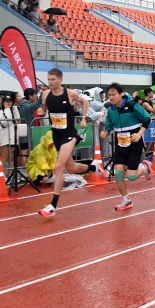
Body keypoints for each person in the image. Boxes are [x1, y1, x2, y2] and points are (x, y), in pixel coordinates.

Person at [37, 68, 106, 218]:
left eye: (53, 79)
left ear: (60, 80)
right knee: (72, 168)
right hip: (56, 134)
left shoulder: (70, 93)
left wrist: (83, 118)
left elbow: (84, 102)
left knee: (58, 166)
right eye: (49, 79)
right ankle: (93, 167)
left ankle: (53, 205)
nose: (50, 82)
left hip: (69, 134)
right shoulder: (46, 94)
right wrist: (41, 112)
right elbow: (44, 109)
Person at [99, 83, 153, 210]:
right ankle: (126, 200)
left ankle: (145, 167)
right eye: (109, 95)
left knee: (131, 176)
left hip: (134, 143)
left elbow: (147, 119)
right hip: (120, 145)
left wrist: (139, 134)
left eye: (114, 94)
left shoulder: (132, 106)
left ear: (121, 94)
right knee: (118, 174)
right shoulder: (111, 110)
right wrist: (106, 133)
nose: (111, 97)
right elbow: (109, 126)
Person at [0, 94, 20, 170]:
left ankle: (11, 173)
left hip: (13, 137)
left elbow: (18, 120)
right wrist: (7, 109)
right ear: (3, 102)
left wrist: (14, 108)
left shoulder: (13, 110)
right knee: (4, 157)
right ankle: (2, 173)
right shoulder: (0, 112)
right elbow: (6, 123)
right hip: (5, 138)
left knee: (12, 157)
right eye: (6, 101)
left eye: (10, 101)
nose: (8, 103)